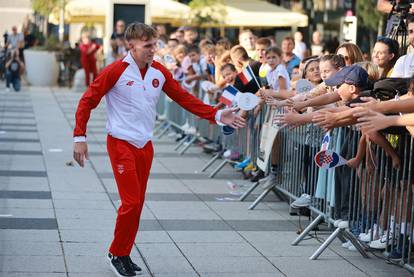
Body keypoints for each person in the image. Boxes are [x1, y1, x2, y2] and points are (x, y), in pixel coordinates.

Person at [72, 22, 245, 277]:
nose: (154, 49)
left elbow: (184, 98)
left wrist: (217, 114)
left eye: (155, 44)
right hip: (120, 143)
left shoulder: (159, 72)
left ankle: (123, 253)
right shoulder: (116, 71)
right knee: (130, 202)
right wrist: (79, 136)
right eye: (148, 45)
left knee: (138, 204)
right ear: (131, 46)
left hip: (145, 145)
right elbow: (88, 100)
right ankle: (117, 253)